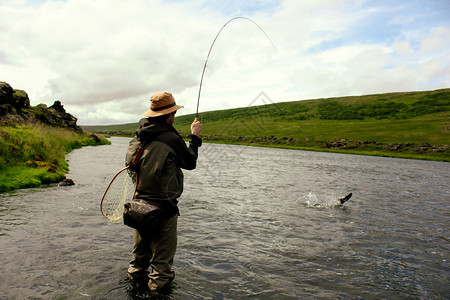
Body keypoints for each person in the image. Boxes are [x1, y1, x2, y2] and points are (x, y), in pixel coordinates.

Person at [125, 91, 202, 292]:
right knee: (161, 270)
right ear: (169, 116)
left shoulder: (138, 136)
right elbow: (190, 162)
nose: (174, 117)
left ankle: (132, 292)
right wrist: (194, 137)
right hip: (164, 209)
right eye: (173, 113)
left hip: (138, 207)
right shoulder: (170, 138)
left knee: (138, 263)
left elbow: (130, 167)